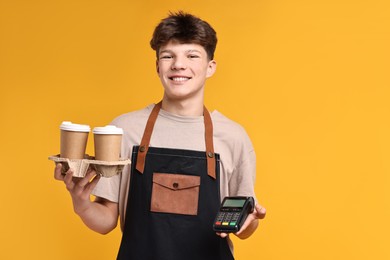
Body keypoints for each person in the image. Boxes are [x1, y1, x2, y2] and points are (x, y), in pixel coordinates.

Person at [54, 11, 266, 260]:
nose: (179, 64)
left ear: (210, 67)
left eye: (192, 55)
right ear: (157, 66)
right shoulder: (122, 131)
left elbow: (244, 229)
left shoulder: (233, 137)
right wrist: (81, 203)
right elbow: (106, 220)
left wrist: (249, 222)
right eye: (168, 56)